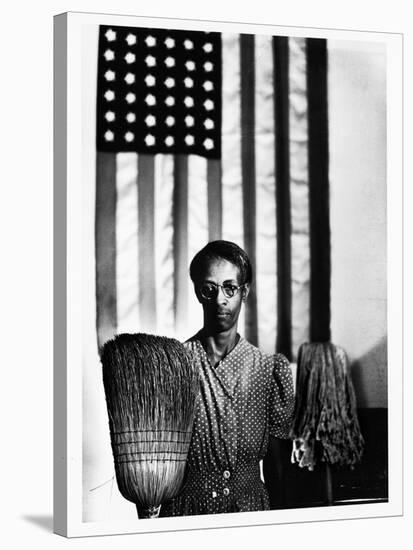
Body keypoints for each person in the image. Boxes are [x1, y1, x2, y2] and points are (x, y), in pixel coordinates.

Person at [160, 240, 295, 516]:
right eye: (209, 289)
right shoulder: (175, 365)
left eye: (230, 288)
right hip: (187, 512)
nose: (220, 299)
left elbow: (278, 468)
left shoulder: (268, 369)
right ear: (199, 293)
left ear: (244, 291)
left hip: (251, 512)